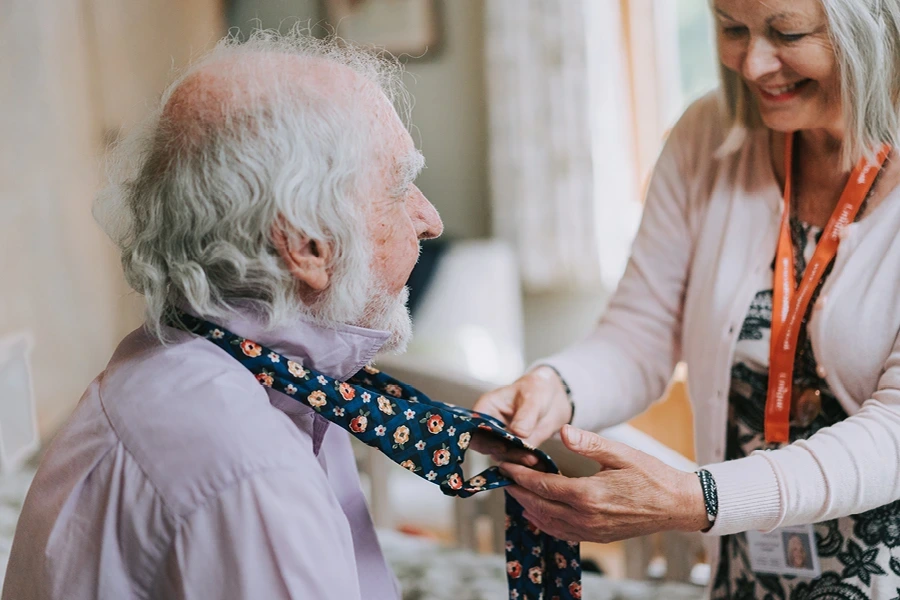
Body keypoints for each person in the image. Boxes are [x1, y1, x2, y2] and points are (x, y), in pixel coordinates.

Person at [474, 0, 900, 597]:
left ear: (879, 25)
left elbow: (894, 433)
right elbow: (640, 333)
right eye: (731, 28)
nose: (752, 64)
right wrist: (556, 386)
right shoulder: (706, 135)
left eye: (787, 32)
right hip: (745, 569)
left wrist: (697, 496)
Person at [2, 30, 443, 600]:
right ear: (306, 244)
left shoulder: (175, 360)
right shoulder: (251, 472)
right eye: (399, 186)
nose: (428, 219)